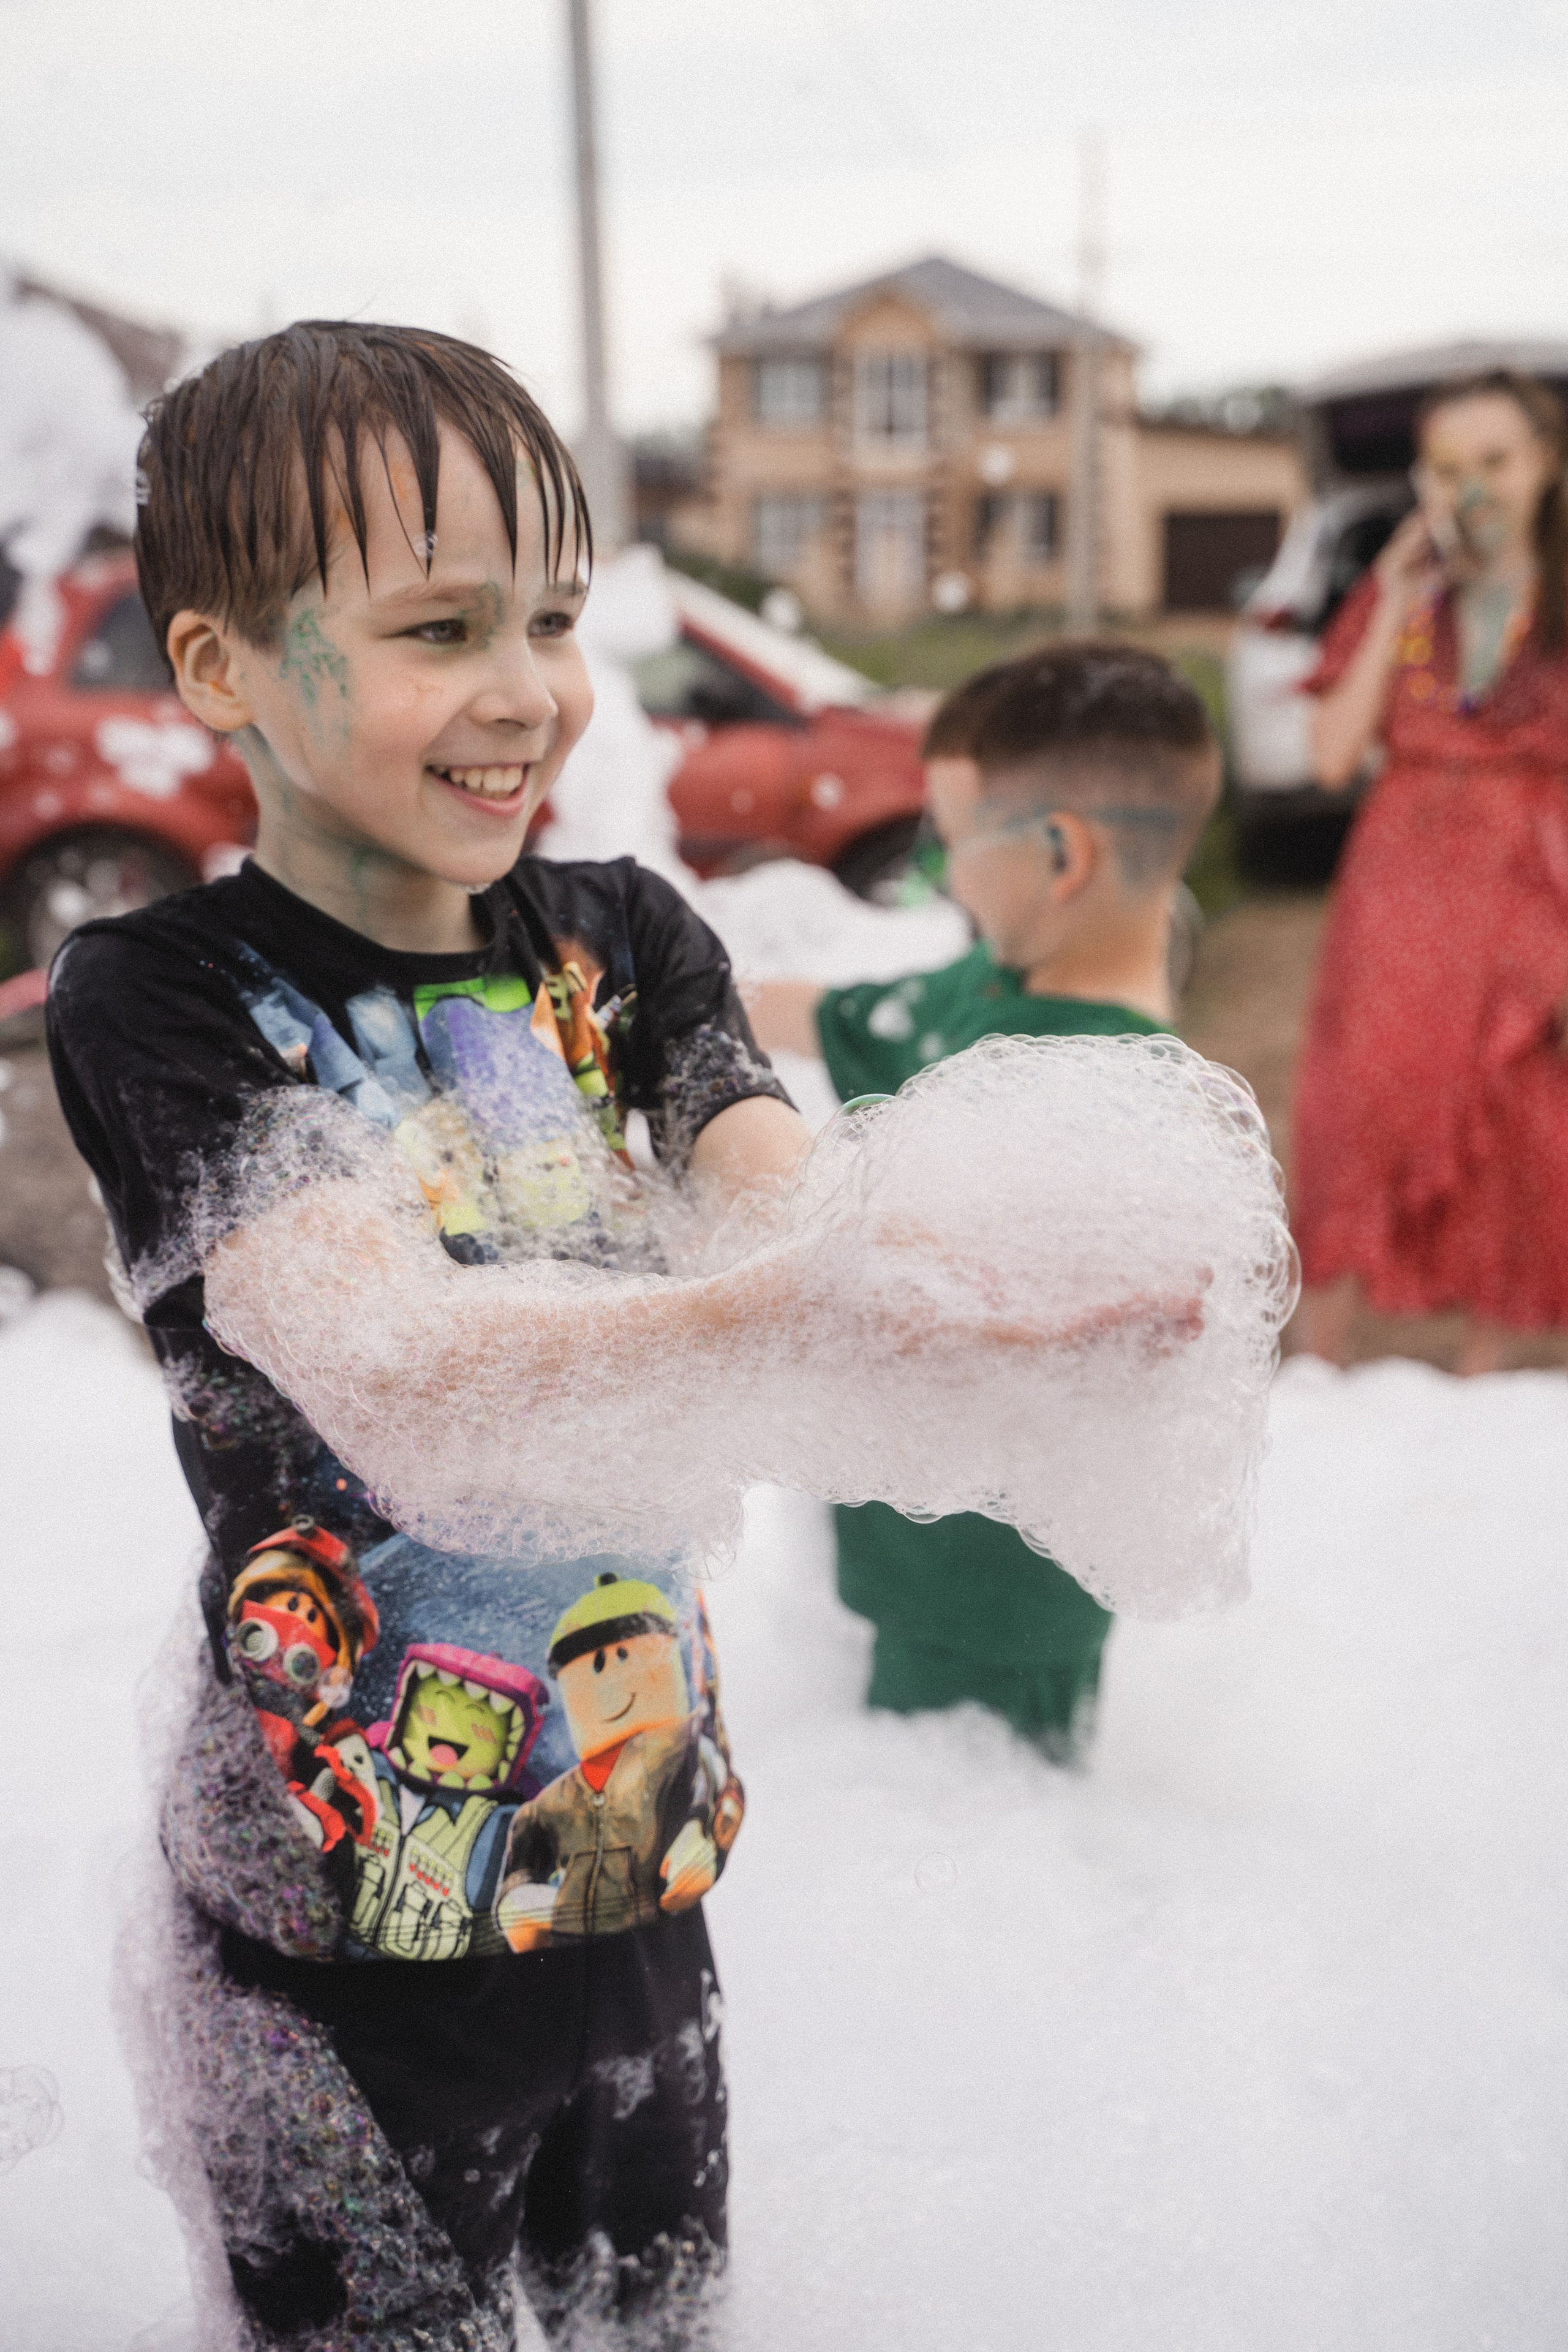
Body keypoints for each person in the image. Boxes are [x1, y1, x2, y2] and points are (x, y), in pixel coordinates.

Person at [48, 326, 1190, 2350]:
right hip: (335, 1930)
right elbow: (395, 1368)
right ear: (224, 667)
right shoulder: (164, 997)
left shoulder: (623, 936)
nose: (528, 692)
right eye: (439, 626)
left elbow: (771, 1188)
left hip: (636, 1860)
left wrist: (944, 1271)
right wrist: (824, 1321)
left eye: (556, 618)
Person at [750, 642, 1220, 1755]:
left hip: (996, 1604)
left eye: (957, 843)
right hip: (912, 1559)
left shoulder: (1104, 1116)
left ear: (1059, 854)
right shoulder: (1000, 988)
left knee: (985, 1840)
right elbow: (855, 1016)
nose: (944, 876)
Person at [1292, 369, 1568, 1374]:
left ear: (1547, 466)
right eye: (1450, 469)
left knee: (1509, 1118)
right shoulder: (1405, 599)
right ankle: (1322, 1374)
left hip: (1531, 889)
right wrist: (1400, 588)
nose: (1474, 488)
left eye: (1496, 461)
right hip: (1401, 882)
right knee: (1360, 1104)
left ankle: (1479, 1395)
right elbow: (1330, 755)